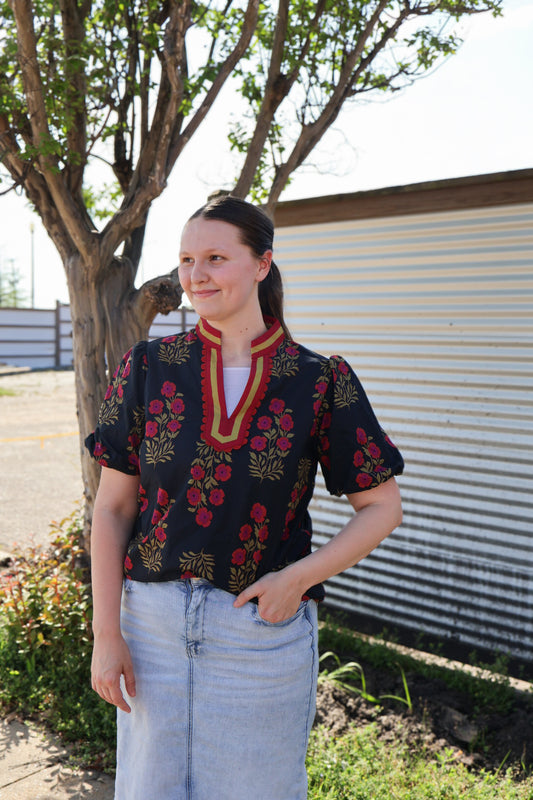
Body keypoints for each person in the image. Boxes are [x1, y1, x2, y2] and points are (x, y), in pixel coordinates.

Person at [86, 195, 404, 800]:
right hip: (149, 628)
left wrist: (298, 579)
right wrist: (108, 634)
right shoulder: (148, 368)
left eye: (214, 257)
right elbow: (113, 508)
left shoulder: (319, 381)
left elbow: (382, 506)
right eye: (185, 259)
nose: (195, 275)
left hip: (259, 630)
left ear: (262, 264)